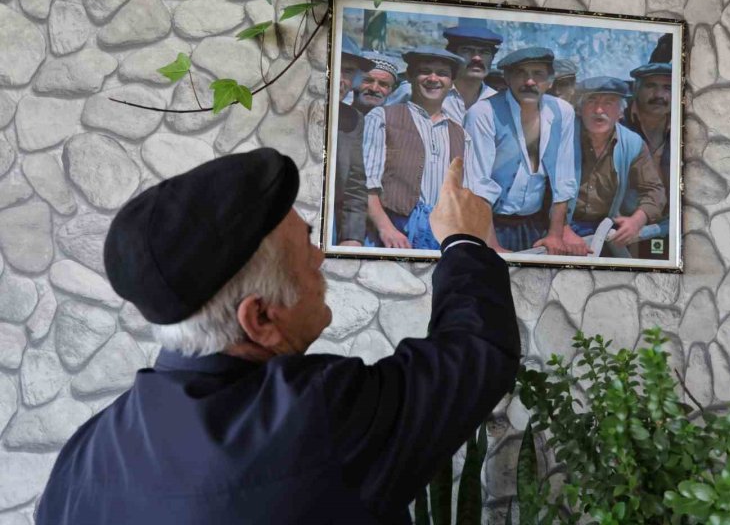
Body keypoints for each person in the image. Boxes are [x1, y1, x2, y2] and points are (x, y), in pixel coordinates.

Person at [36, 149, 518, 525]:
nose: (319, 259)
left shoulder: (85, 454)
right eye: (306, 247)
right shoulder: (314, 417)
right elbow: (475, 355)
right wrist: (464, 241)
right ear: (260, 318)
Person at [465, 47, 577, 255]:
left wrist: (555, 234)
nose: (529, 82)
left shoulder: (563, 112)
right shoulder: (483, 113)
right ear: (507, 78)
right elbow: (477, 184)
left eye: (538, 74)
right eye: (521, 74)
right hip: (490, 225)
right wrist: (491, 244)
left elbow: (564, 178)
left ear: (550, 81)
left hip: (537, 225)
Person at [363, 47, 475, 250]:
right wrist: (386, 229)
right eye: (425, 71)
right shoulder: (382, 117)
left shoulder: (461, 135)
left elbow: (466, 196)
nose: (433, 78)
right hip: (393, 234)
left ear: (452, 83)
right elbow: (366, 185)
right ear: (412, 77)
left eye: (442, 73)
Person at [562, 76, 667, 257]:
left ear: (620, 112)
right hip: (559, 226)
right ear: (579, 109)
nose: (599, 110)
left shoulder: (632, 143)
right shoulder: (563, 135)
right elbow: (541, 187)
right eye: (591, 101)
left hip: (604, 227)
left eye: (609, 103)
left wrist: (637, 220)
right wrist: (561, 228)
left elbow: (654, 189)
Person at [386, 25, 503, 124]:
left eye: (484, 52)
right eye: (467, 50)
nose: (477, 58)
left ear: (492, 58)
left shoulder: (496, 101)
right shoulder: (415, 89)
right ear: (452, 55)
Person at [622, 61, 673, 258]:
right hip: (626, 223)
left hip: (670, 223)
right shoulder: (618, 121)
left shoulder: (686, 125)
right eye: (651, 86)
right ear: (636, 89)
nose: (659, 95)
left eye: (667, 88)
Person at [333, 35, 375, 246]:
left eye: (348, 72)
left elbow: (355, 185)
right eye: (332, 65)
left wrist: (352, 237)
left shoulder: (353, 119)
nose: (340, 79)